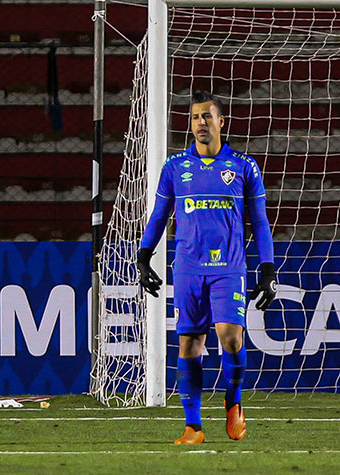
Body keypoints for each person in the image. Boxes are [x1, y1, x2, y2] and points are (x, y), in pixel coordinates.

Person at [137, 90, 277, 445]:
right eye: (196, 117)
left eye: (207, 116)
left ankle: (233, 402)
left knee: (230, 338)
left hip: (228, 266)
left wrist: (268, 269)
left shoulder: (244, 166)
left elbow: (259, 222)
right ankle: (193, 426)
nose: (201, 123)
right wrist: (143, 255)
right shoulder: (174, 167)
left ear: (221, 121)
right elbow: (158, 216)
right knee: (189, 344)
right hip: (186, 267)